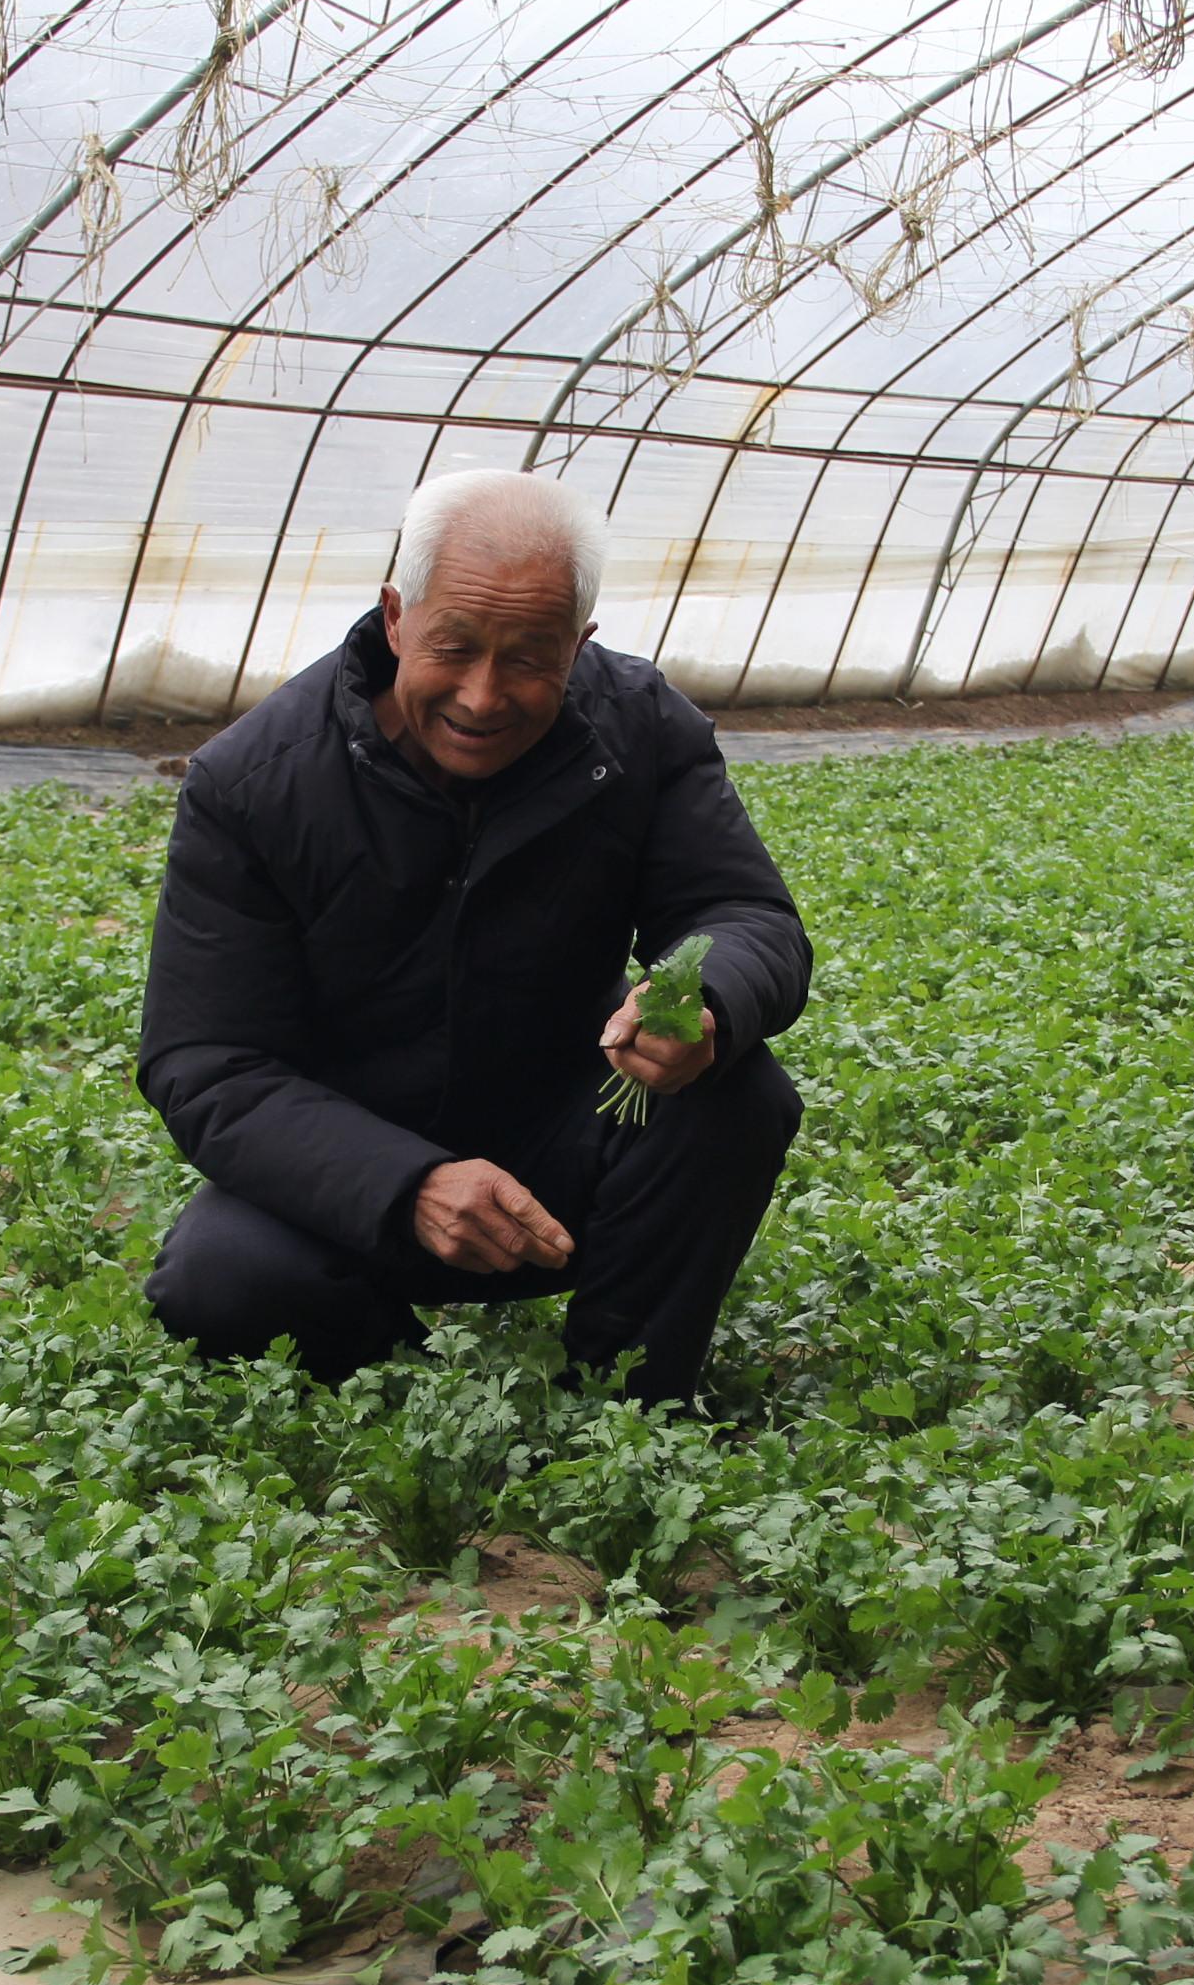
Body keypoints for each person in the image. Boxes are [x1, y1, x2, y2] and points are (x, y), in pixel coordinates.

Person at [136, 468, 812, 1406]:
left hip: (558, 1142)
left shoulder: (638, 729)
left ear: (581, 643)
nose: (484, 697)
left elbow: (747, 917)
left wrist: (706, 1001)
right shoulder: (257, 783)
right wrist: (403, 1182)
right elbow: (207, 1060)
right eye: (454, 647)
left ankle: (627, 1402)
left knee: (738, 1099)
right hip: (349, 1169)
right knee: (220, 1282)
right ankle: (399, 1365)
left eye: (531, 657)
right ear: (396, 615)